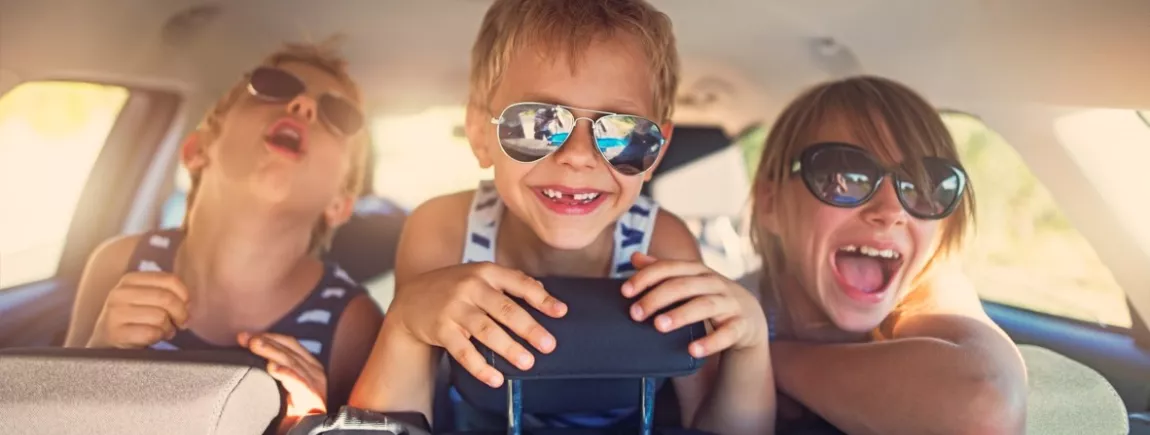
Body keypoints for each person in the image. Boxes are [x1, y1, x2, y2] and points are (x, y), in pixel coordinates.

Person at [349, 1, 774, 433]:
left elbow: (706, 419)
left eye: (623, 131)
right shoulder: (443, 231)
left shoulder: (662, 244)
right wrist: (404, 323)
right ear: (481, 134)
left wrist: (751, 343)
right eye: (536, 123)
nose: (577, 156)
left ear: (656, 152)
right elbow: (405, 409)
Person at [63, 41, 384, 432]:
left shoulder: (351, 323)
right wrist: (97, 354)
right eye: (274, 85)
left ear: (341, 203)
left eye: (338, 114)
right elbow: (56, 416)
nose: (304, 106)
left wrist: (310, 427)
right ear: (198, 148)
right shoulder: (118, 264)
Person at [747, 75, 1027, 434]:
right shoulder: (725, 314)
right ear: (770, 204)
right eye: (844, 176)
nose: (893, 209)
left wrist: (771, 360)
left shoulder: (926, 292)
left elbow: (985, 404)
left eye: (924, 185)